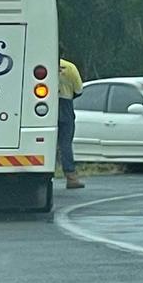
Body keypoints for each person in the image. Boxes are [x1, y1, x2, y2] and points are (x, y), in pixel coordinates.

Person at [58, 52, 85, 189]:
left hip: (39, 107)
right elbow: (79, 90)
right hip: (65, 105)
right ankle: (71, 177)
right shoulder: (69, 67)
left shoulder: (36, 64)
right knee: (65, 144)